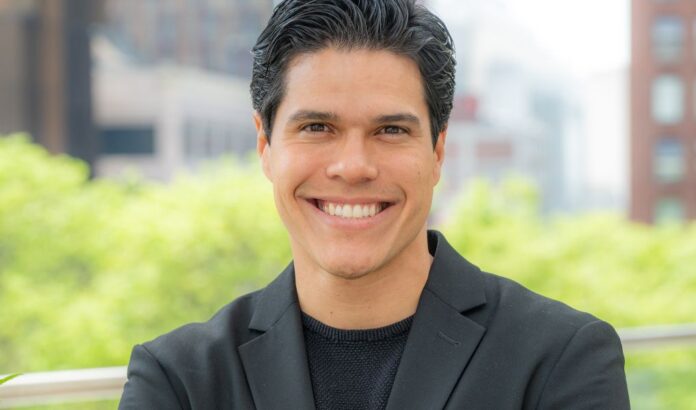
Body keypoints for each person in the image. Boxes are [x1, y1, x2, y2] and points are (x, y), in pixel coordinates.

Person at [119, 0, 630, 409]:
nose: (353, 166)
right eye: (317, 127)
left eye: (390, 130)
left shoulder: (562, 359)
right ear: (265, 146)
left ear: (437, 152)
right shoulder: (178, 380)